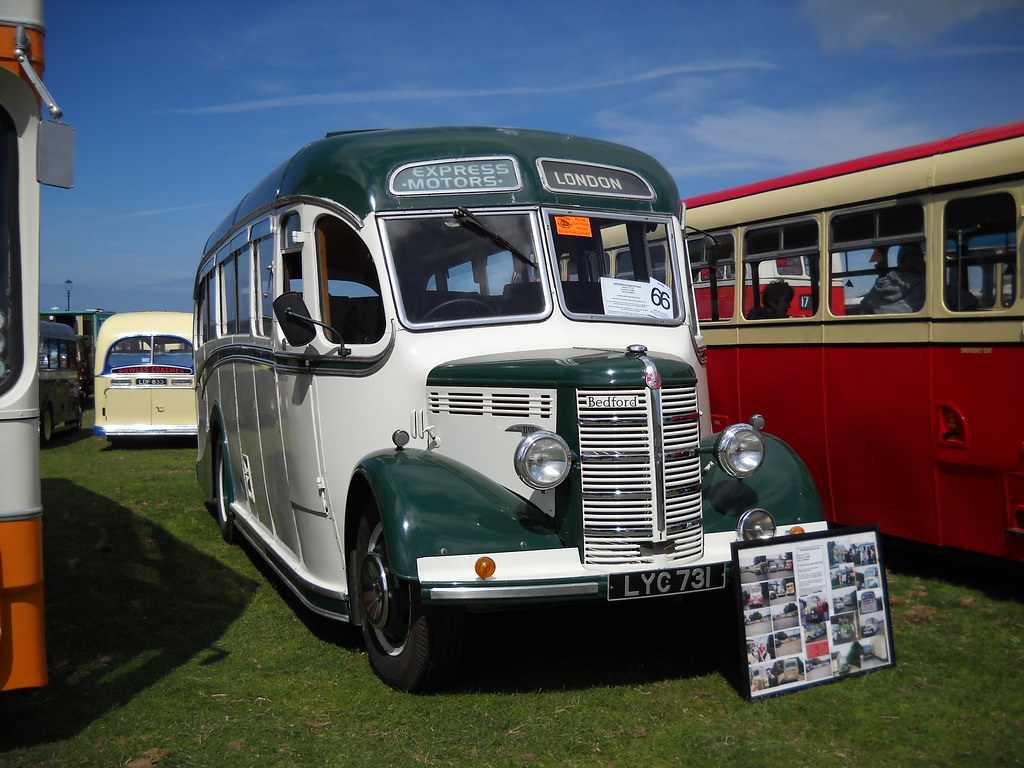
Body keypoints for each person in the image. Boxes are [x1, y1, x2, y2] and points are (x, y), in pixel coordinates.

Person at [860, 243, 926, 314]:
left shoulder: (881, 283)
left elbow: (864, 305)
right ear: (921, 261)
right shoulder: (923, 284)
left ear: (900, 261)